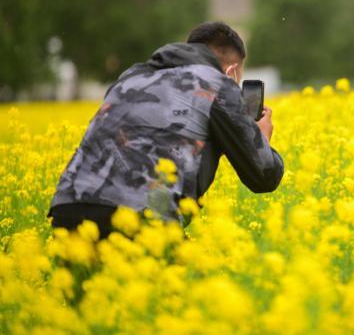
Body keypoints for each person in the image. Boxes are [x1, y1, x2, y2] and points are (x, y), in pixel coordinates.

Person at [48, 21, 284, 238]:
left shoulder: (130, 77)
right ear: (231, 71)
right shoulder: (218, 83)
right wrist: (260, 138)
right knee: (192, 281)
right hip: (141, 215)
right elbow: (264, 176)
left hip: (68, 209)